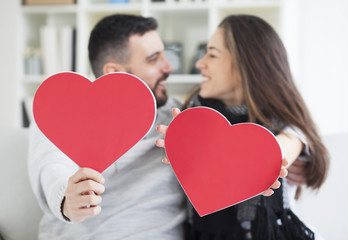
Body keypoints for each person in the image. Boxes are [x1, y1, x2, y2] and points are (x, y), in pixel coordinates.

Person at [28, 14, 302, 239]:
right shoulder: (63, 113)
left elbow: (284, 125)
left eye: (165, 55)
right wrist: (67, 201)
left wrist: (274, 154)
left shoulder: (180, 117)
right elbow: (51, 167)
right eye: (154, 59)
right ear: (115, 74)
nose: (169, 66)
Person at [156, 14, 329, 239]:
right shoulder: (189, 114)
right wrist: (184, 143)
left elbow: (267, 155)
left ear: (245, 62)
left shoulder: (290, 130)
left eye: (212, 54)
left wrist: (203, 152)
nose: (200, 63)